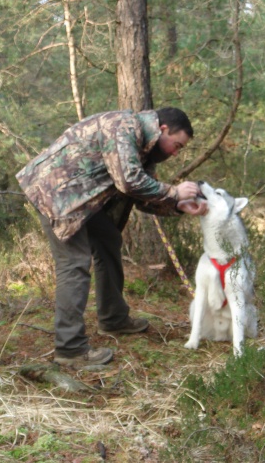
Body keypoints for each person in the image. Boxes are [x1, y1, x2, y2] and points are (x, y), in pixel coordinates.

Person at [16, 108, 207, 367]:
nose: (175, 153)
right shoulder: (124, 126)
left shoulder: (145, 151)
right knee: (74, 264)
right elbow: (129, 181)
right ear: (163, 130)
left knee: (108, 240)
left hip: (81, 199)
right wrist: (174, 191)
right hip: (56, 193)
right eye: (177, 145)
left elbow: (142, 196)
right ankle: (70, 349)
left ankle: (113, 319)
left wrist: (177, 205)